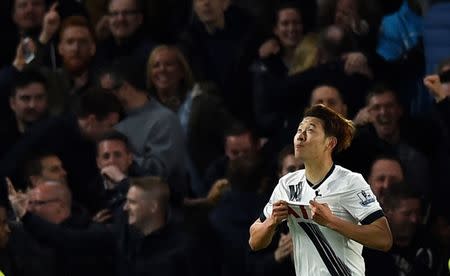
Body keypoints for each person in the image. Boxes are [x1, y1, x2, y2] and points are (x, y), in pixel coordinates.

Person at [249, 104, 392, 276]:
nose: (300, 136)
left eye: (310, 130)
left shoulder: (350, 182)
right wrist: (271, 222)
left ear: (329, 143)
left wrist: (331, 221)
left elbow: (384, 238)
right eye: (299, 130)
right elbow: (254, 241)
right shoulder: (287, 184)